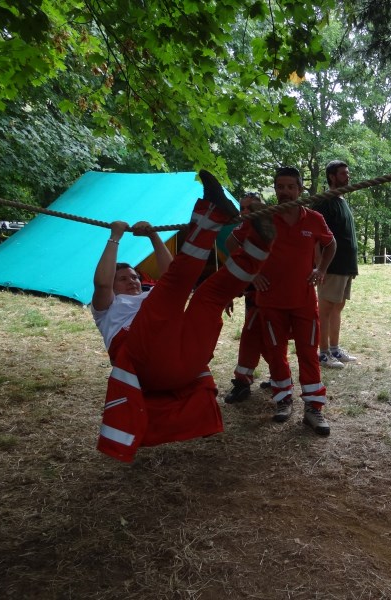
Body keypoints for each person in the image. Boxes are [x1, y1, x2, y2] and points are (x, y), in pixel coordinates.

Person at [90, 170, 275, 463]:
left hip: (184, 363)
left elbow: (171, 273)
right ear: (114, 286)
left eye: (135, 277)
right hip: (144, 358)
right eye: (124, 278)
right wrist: (114, 237)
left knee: (208, 296)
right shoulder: (107, 306)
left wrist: (153, 236)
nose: (133, 281)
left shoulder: (150, 295)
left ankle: (259, 245)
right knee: (175, 288)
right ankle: (212, 213)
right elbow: (102, 282)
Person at [227, 166, 336, 435]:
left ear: (300, 189)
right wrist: (253, 274)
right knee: (277, 356)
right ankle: (283, 401)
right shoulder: (263, 218)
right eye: (280, 187)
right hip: (270, 302)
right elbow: (230, 242)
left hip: (303, 302)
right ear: (275, 189)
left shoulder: (314, 219)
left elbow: (331, 244)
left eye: (290, 187)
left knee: (308, 355)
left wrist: (320, 269)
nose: (285, 192)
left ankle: (313, 409)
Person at [222, 192, 270, 404]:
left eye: (250, 207)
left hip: (276, 293)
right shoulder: (244, 227)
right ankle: (243, 382)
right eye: (242, 208)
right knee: (254, 333)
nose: (245, 212)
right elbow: (231, 246)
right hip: (255, 293)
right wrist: (233, 289)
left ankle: (277, 377)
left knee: (266, 336)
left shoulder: (272, 224)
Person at [314, 160, 359, 369]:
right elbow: (315, 237)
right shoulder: (325, 202)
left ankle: (334, 349)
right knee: (325, 308)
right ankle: (322, 354)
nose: (347, 177)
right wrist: (319, 266)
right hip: (330, 266)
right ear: (332, 176)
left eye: (347, 173)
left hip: (345, 265)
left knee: (338, 306)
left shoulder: (340, 200)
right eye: (343, 174)